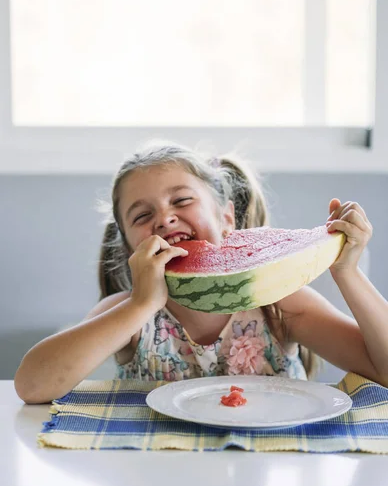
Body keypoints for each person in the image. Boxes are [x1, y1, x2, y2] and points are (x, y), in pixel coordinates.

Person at [14, 142, 388, 403]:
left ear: (227, 219)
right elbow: (32, 386)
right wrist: (140, 305)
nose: (164, 217)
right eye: (142, 216)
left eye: (181, 200)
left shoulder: (279, 305)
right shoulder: (128, 315)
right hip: (162, 478)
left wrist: (346, 270)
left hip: (263, 471)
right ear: (129, 247)